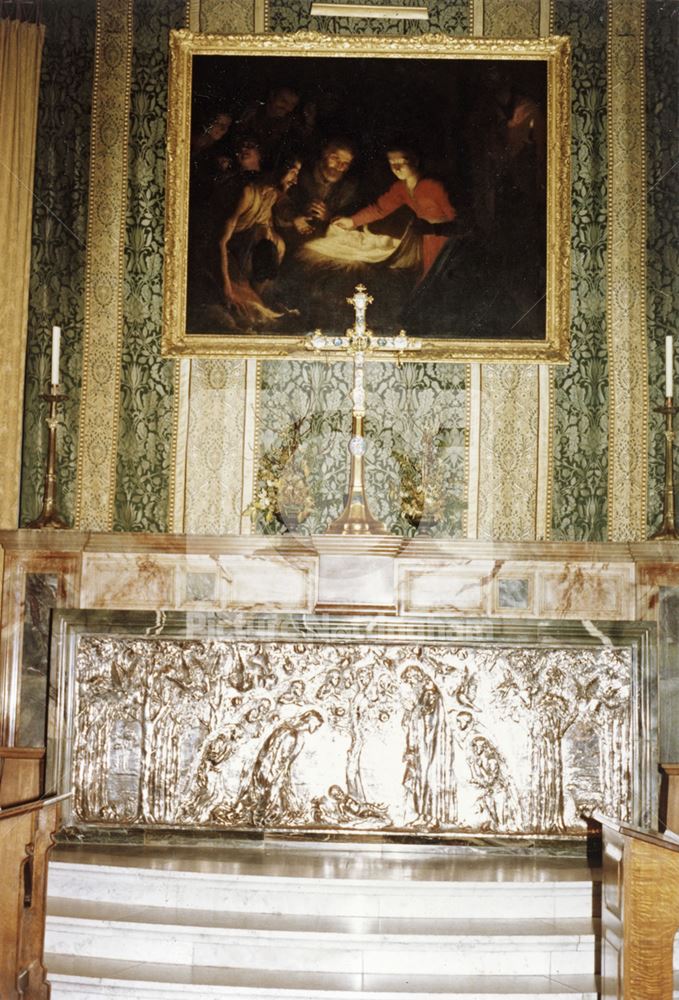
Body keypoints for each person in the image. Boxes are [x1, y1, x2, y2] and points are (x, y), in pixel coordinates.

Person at [335, 143, 456, 281]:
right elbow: (379, 209)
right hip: (428, 242)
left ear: (415, 161)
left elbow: (461, 223)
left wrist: (433, 229)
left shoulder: (434, 186)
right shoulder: (401, 188)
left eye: (402, 162)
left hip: (450, 243)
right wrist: (352, 221)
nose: (396, 168)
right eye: (392, 163)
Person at [217, 156, 302, 327]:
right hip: (222, 258)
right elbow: (220, 243)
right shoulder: (247, 193)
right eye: (293, 172)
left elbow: (272, 216)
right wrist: (226, 287)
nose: (295, 180)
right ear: (279, 168)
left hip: (243, 256)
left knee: (277, 244)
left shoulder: (270, 193)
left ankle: (259, 300)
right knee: (245, 311)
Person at [238, 709, 323, 826]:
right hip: (272, 772)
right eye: (317, 725)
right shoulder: (291, 735)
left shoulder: (291, 732)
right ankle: (260, 820)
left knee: (270, 797)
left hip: (274, 770)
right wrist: (272, 775)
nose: (318, 728)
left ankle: (261, 819)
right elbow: (278, 757)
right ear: (311, 721)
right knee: (268, 796)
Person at [276, 138, 359, 245]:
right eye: (335, 158)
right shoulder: (299, 173)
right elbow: (277, 199)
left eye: (345, 163)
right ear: (324, 155)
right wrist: (296, 215)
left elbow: (350, 221)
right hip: (288, 238)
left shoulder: (349, 187)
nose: (339, 166)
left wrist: (330, 217)